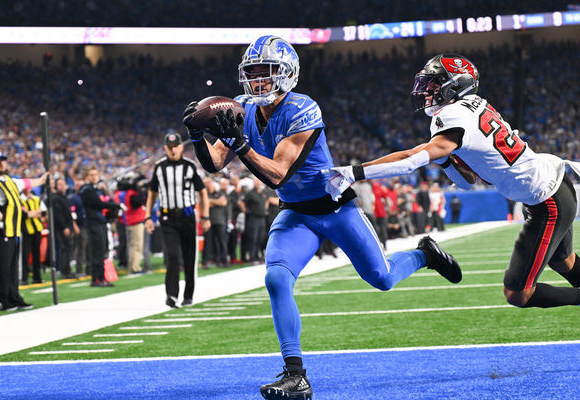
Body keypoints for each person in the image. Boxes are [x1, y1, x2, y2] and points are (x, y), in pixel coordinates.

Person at [183, 36, 461, 400]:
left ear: (286, 74)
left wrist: (240, 144)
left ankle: (425, 254)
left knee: (382, 279)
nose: (258, 81)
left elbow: (278, 173)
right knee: (276, 279)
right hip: (295, 212)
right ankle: (295, 375)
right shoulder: (243, 110)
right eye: (252, 73)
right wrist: (196, 135)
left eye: (266, 73)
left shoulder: (302, 109)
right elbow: (215, 163)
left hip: (335, 208)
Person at [326, 53, 580, 312]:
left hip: (547, 199)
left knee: (517, 293)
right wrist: (445, 160)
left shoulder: (453, 116)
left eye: (434, 84)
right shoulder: (472, 106)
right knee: (563, 262)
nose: (426, 91)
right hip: (550, 187)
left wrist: (354, 172)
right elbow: (468, 181)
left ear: (456, 85)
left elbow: (411, 160)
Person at [145, 131, 211, 308]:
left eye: (176, 146)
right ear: (165, 148)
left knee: (190, 258)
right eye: (169, 147)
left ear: (181, 147)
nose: (173, 150)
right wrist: (147, 217)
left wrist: (205, 216)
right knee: (173, 256)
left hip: (188, 216)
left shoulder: (190, 166)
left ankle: (188, 296)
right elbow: (152, 194)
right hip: (168, 217)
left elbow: (202, 192)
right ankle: (171, 295)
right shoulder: (159, 167)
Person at [0, 151, 47, 311]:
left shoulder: (9, 181)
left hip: (12, 231)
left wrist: (43, 178)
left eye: (3, 160)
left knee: (10, 267)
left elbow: (28, 183)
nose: (2, 163)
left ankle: (13, 296)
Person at [79, 166, 120, 287]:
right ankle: (97, 278)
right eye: (91, 175)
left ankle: (101, 277)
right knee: (97, 251)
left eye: (96, 174)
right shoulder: (87, 190)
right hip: (94, 223)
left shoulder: (97, 189)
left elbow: (108, 199)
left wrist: (107, 192)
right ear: (87, 177)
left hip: (101, 222)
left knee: (102, 250)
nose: (94, 177)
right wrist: (115, 206)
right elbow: (99, 204)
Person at [52, 178, 78, 279]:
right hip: (63, 227)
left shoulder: (64, 197)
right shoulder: (56, 198)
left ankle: (67, 270)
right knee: (65, 248)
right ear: (56, 186)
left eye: (63, 184)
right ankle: (65, 271)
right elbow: (58, 215)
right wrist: (64, 227)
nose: (62, 186)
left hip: (68, 226)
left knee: (68, 248)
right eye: (60, 184)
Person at [20, 187, 45, 284]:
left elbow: (43, 212)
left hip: (37, 229)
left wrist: (31, 213)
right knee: (25, 255)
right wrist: (36, 213)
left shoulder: (36, 198)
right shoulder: (20, 200)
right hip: (26, 230)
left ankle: (37, 277)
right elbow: (24, 215)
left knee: (37, 254)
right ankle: (24, 278)